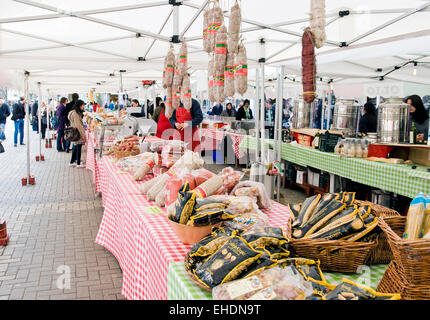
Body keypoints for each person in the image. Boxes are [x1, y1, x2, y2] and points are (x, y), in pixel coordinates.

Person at [68, 100, 86, 168]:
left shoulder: (73, 112)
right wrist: (83, 134)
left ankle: (72, 162)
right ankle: (78, 163)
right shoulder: (75, 114)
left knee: (75, 147)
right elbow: (78, 125)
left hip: (75, 132)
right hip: (77, 132)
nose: (83, 107)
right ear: (79, 106)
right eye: (82, 105)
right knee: (78, 147)